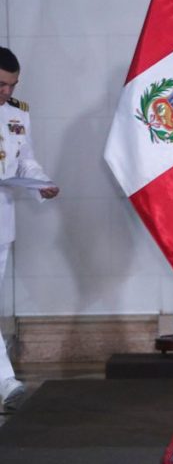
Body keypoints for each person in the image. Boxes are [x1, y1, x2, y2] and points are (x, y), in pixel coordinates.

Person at [0, 46, 59, 410]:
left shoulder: (17, 116)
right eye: (2, 84)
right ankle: (6, 381)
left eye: (12, 85)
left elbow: (26, 163)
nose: (8, 92)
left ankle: (5, 382)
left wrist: (42, 184)